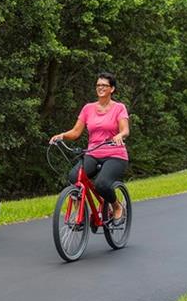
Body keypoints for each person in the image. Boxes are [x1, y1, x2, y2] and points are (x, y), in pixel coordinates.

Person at [49, 71, 129, 222]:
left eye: (104, 85)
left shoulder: (119, 108)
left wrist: (120, 135)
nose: (100, 88)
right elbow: (75, 132)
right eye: (98, 85)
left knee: (102, 184)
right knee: (74, 177)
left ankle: (116, 206)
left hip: (115, 155)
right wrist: (62, 136)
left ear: (112, 89)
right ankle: (79, 213)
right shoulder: (88, 108)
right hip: (93, 153)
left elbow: (125, 130)